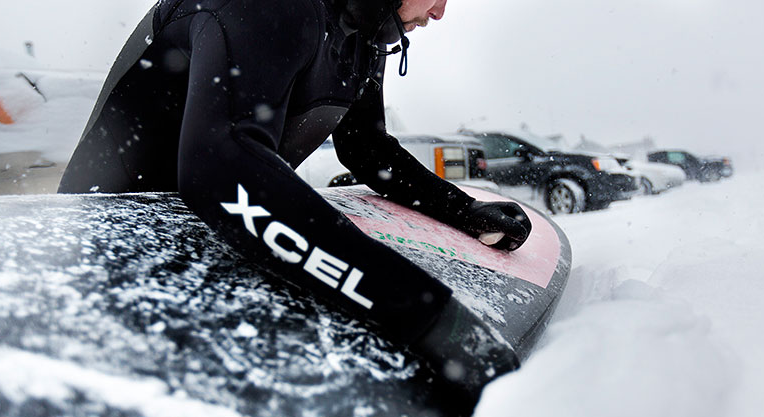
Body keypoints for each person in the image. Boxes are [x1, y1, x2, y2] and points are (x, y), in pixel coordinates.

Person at [58, 0, 532, 394]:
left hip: (218, 237)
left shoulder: (362, 32)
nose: (441, 11)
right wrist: (424, 314)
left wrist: (462, 210)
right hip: (109, 251)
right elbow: (222, 167)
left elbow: (367, 148)